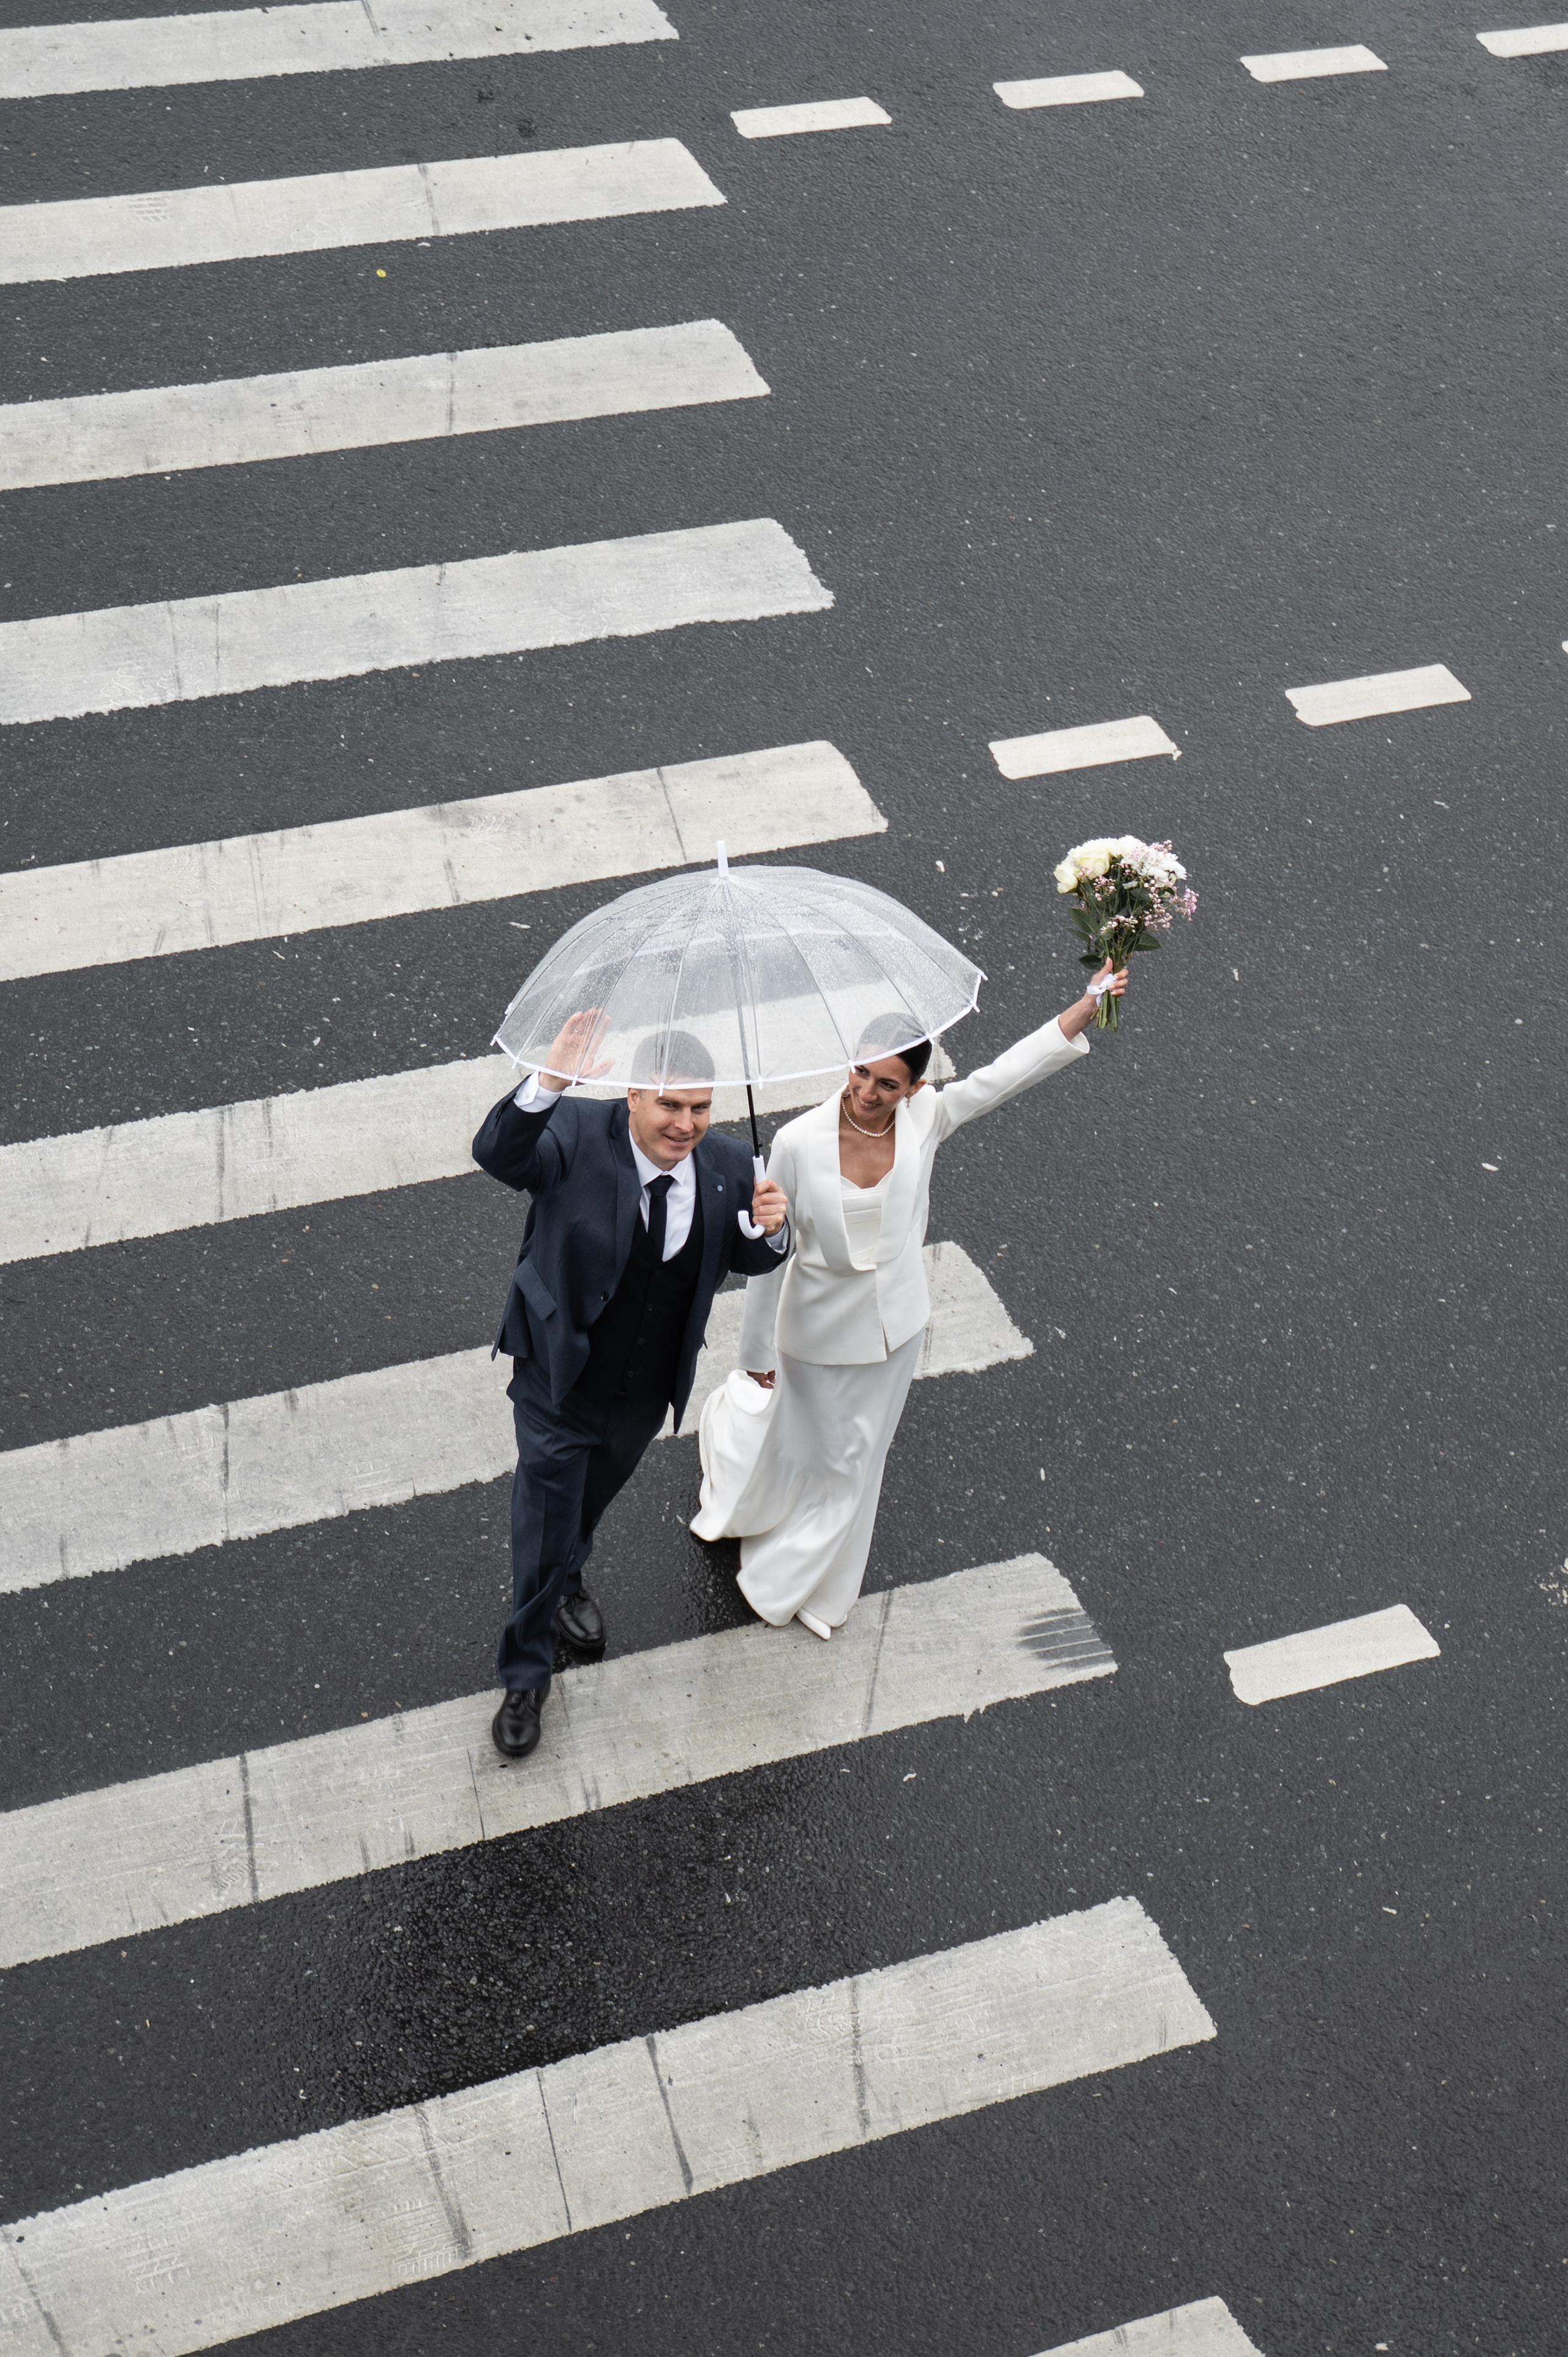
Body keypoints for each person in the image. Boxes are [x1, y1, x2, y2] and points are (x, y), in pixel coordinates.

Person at [691, 960, 1128, 1637]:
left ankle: (801, 1581)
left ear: (914, 1086)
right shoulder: (797, 1143)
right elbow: (770, 1261)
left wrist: (1083, 1006)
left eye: (886, 1083)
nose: (866, 1091)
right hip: (812, 1336)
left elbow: (1002, 1077)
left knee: (856, 1464)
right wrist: (754, 1354)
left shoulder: (926, 1116)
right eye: (860, 1072)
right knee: (808, 1448)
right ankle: (746, 1473)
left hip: (895, 1331)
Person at [473, 1009, 790, 1760]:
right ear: (632, 1098)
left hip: (645, 1391)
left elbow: (749, 1258)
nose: (686, 1124)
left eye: (700, 1107)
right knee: (547, 1519)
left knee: (586, 1503)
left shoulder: (729, 1165)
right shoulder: (575, 1135)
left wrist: (770, 1231)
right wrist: (547, 1083)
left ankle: (567, 1579)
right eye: (670, 1105)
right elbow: (498, 1154)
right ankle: (526, 1671)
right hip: (559, 1378)